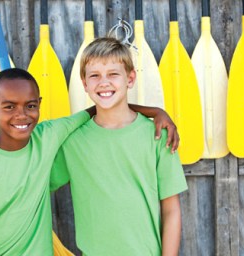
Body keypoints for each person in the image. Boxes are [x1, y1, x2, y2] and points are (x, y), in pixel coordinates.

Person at [0, 67, 179, 255]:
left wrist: (155, 112)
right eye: (9, 107)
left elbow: (99, 109)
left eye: (30, 106)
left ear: (39, 104)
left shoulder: (48, 135)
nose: (21, 115)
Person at [49, 37, 188, 255]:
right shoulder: (73, 142)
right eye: (94, 76)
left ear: (130, 78)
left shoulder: (159, 134)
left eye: (113, 74)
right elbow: (34, 184)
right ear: (85, 84)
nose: (104, 82)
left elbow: (171, 209)